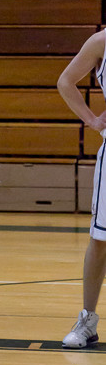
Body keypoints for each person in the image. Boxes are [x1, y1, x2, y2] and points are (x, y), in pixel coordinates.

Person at [57, 29, 106, 348]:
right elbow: (66, 81)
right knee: (101, 239)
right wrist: (91, 119)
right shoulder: (102, 41)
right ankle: (87, 319)